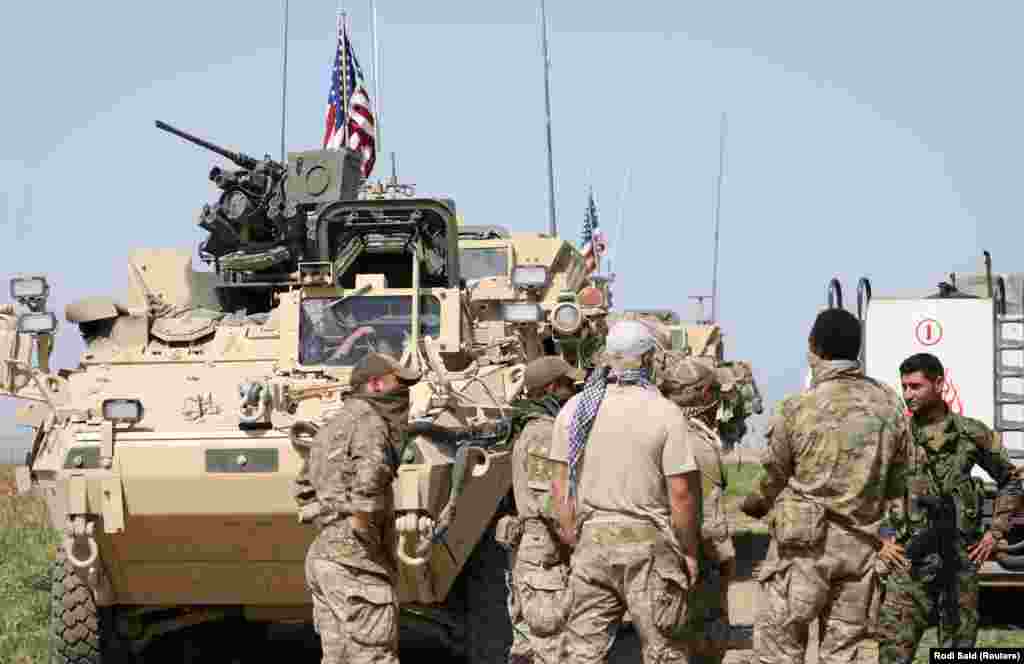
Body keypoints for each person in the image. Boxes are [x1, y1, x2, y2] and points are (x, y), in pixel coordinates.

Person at [740, 308, 911, 664]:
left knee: (779, 652)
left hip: (802, 552)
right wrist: (890, 533)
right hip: (862, 552)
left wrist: (754, 504)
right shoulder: (891, 406)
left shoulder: (797, 406)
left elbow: (773, 475)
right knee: (843, 655)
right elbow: (901, 482)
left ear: (813, 347)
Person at [548, 320, 703, 663]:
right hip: (650, 551)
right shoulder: (665, 413)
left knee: (583, 655)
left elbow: (559, 482)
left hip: (592, 546)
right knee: (664, 652)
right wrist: (689, 551)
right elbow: (681, 493)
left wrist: (572, 533)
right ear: (648, 360)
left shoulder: (574, 411)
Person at [875, 352, 1024, 663]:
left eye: (916, 386)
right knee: (892, 655)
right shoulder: (896, 436)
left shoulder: (971, 433)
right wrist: (883, 539)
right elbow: (869, 492)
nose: (908, 395)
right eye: (904, 386)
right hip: (909, 566)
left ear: (939, 384)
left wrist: (994, 534)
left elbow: (1010, 480)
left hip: (958, 564)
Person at [303, 352, 420, 664]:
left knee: (337, 657)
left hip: (323, 557)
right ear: (376, 384)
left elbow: (303, 488)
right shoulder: (371, 424)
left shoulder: (331, 426)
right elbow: (368, 481)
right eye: (401, 384)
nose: (405, 393)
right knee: (373, 656)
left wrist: (330, 520)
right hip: (356, 561)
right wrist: (360, 526)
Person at [500, 356, 584, 664]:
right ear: (551, 388)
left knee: (533, 646)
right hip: (545, 555)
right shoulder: (543, 433)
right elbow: (551, 503)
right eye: (567, 386)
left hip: (540, 552)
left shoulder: (538, 428)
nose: (573, 392)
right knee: (551, 646)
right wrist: (580, 543)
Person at [656, 352, 736, 664]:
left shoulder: (658, 429)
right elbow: (712, 525)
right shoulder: (697, 444)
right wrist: (726, 563)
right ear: (704, 395)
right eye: (716, 394)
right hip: (695, 567)